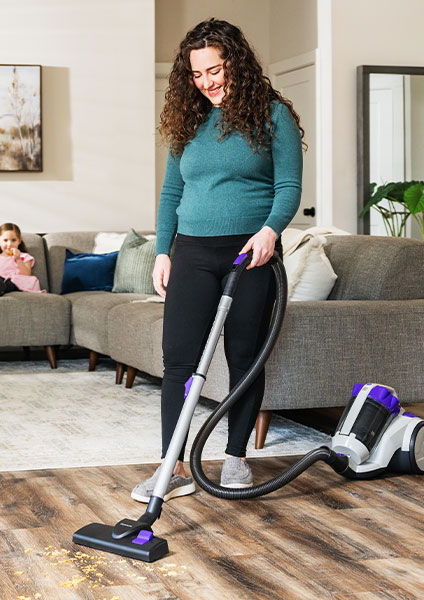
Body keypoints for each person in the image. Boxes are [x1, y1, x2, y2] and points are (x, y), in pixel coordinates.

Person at [131, 18, 306, 503]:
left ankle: (235, 459)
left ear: (237, 64)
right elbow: (171, 192)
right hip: (191, 250)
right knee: (178, 361)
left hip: (250, 253)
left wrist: (271, 230)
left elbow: (288, 186)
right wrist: (162, 250)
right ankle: (173, 466)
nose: (207, 82)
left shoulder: (272, 116)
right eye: (197, 74)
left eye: (216, 70)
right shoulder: (188, 121)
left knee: (244, 356)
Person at [0, 223, 46, 296]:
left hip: (18, 283)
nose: (9, 244)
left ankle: (0, 289)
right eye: (5, 240)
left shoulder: (24, 256)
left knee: (11, 281)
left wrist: (18, 259)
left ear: (19, 241)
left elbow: (26, 274)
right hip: (0, 280)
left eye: (13, 240)